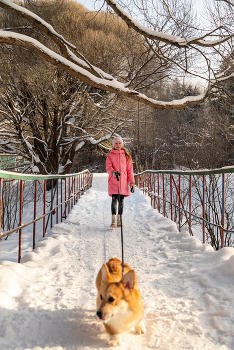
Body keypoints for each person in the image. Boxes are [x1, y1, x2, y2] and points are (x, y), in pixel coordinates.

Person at [106, 136, 135, 228]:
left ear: (122, 144)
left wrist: (132, 183)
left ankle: (120, 220)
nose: (118, 145)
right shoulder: (110, 155)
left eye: (119, 143)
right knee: (114, 199)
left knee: (121, 200)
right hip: (114, 180)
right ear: (113, 145)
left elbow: (130, 171)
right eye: (116, 143)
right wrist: (113, 173)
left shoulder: (126, 156)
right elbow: (108, 168)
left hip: (123, 181)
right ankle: (113, 221)